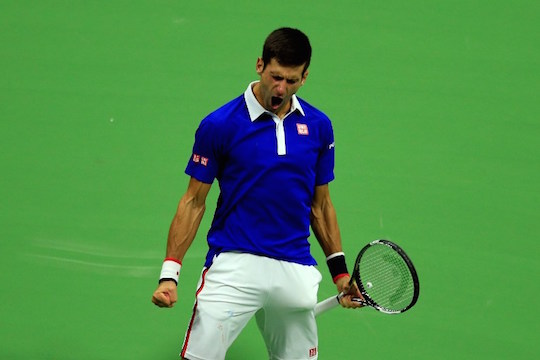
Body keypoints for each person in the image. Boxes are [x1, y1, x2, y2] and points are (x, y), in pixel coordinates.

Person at [151, 27, 362, 360]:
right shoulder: (220, 124)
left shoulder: (319, 126)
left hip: (294, 267)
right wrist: (169, 275)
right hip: (235, 262)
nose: (281, 88)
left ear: (305, 77)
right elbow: (193, 201)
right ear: (260, 65)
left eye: (291, 81)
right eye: (276, 77)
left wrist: (340, 274)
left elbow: (320, 206)